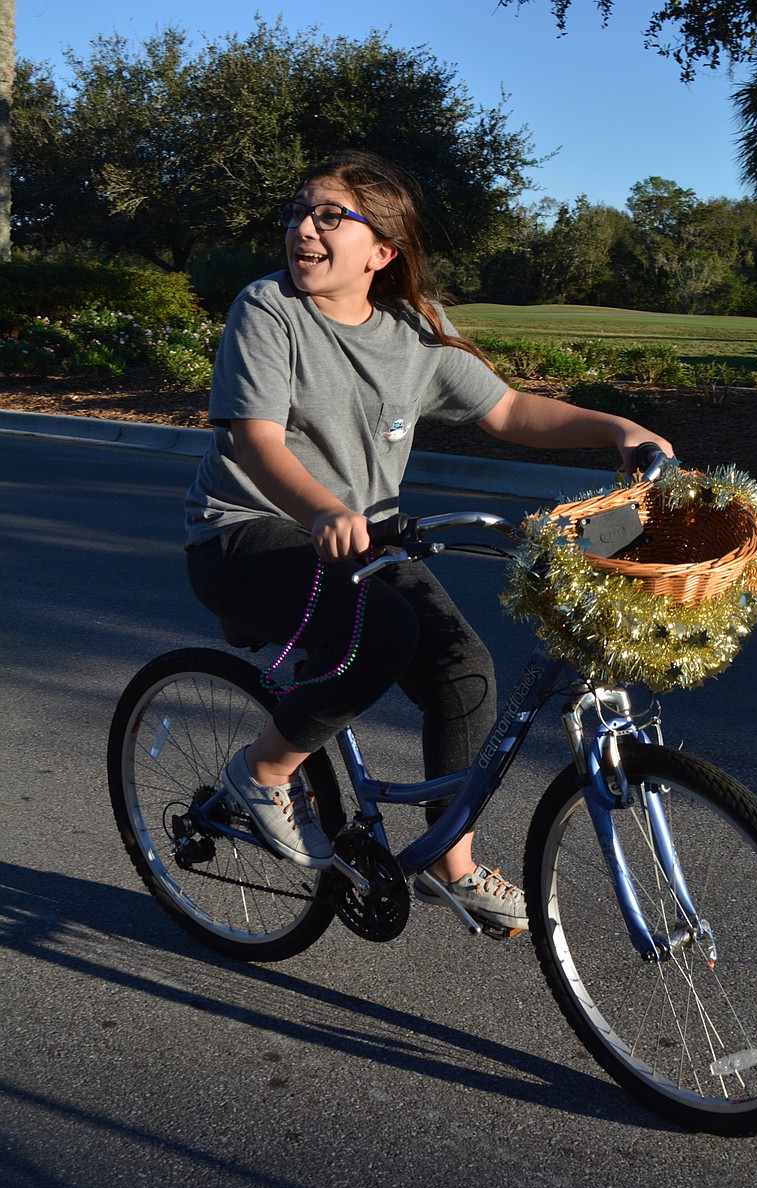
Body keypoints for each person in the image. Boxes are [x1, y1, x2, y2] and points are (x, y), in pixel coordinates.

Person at [184, 150, 674, 934]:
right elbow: (255, 442)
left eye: (329, 215)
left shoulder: (416, 329)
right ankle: (263, 772)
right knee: (385, 632)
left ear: (382, 251)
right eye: (298, 213)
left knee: (462, 663)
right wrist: (320, 513)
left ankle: (454, 863)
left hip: (356, 543)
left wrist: (616, 427)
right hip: (245, 533)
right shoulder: (268, 309)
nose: (303, 228)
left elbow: (509, 412)